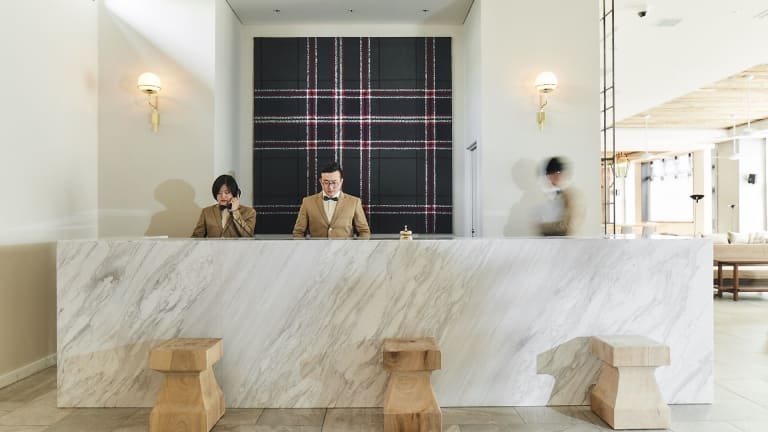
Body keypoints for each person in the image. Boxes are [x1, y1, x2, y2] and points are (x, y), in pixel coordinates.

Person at [292, 162, 371, 239]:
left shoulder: (354, 202)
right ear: (321, 182)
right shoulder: (308, 202)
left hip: (345, 248)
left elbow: (364, 231)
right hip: (316, 248)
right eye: (326, 182)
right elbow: (298, 232)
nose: (330, 187)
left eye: (334, 182)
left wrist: (357, 247)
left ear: (341, 181)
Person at [192, 174, 256, 238]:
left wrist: (235, 212)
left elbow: (248, 236)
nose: (222, 196)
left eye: (227, 192)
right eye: (219, 193)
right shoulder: (206, 212)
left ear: (235, 194)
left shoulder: (249, 212)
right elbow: (196, 238)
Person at [537, 157, 576, 236]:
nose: (555, 176)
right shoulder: (544, 195)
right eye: (551, 174)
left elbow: (566, 226)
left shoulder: (569, 196)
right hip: (546, 241)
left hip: (563, 240)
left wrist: (541, 226)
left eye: (558, 173)